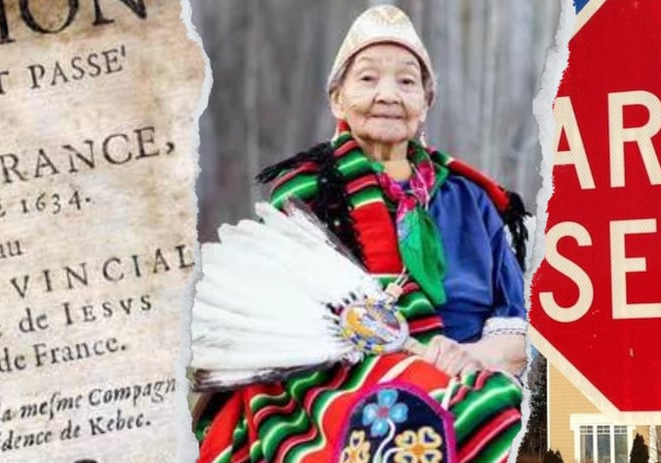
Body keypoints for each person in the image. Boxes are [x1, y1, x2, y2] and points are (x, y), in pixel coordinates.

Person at [195, 5, 530, 462]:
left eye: (407, 82)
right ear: (337, 99)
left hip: (471, 372)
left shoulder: (472, 201)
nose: (388, 94)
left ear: (426, 102)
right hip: (336, 384)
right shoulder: (307, 192)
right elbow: (286, 330)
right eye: (368, 78)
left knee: (497, 415)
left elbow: (517, 337)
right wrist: (408, 360)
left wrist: (468, 357)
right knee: (401, 420)